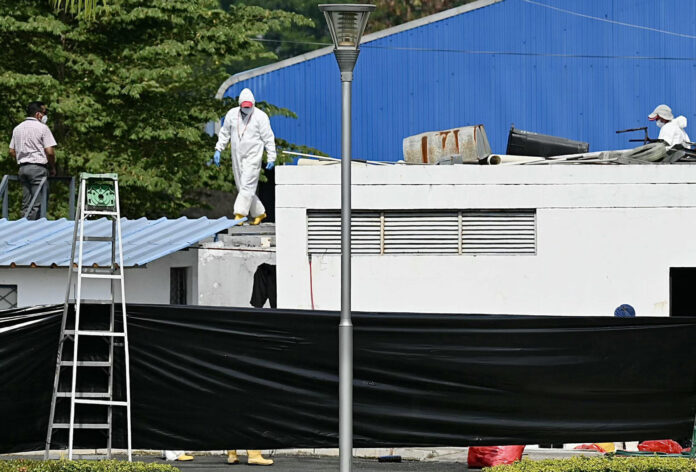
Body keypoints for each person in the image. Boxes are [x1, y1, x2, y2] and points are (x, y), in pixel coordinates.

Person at [213, 88, 276, 226]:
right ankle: (259, 212)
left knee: (247, 184)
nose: (247, 109)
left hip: (253, 155)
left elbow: (268, 138)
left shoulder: (260, 116)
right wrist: (219, 149)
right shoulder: (231, 114)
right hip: (236, 154)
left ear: (253, 104)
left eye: (249, 106)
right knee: (242, 186)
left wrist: (271, 156)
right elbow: (224, 133)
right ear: (240, 104)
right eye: (244, 106)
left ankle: (239, 214)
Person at [8, 101, 57, 220]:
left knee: (26, 203)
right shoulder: (42, 128)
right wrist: (52, 167)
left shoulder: (17, 128)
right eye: (44, 112)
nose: (45, 116)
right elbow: (50, 151)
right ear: (38, 114)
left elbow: (11, 151)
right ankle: (35, 229)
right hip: (38, 168)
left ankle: (23, 228)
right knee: (38, 204)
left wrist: (22, 157)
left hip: (23, 168)